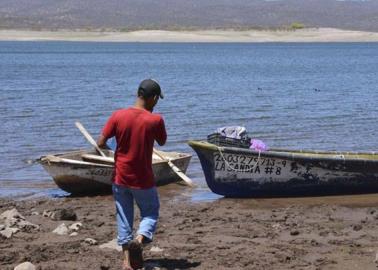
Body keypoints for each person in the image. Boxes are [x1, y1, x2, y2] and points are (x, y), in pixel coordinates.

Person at [97, 79, 167, 270]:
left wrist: (117, 145)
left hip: (120, 177)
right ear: (153, 98)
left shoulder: (118, 115)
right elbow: (162, 141)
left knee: (124, 218)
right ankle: (140, 238)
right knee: (151, 213)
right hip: (143, 179)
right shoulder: (155, 120)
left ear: (138, 94)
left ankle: (127, 263)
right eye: (157, 100)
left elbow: (101, 142)